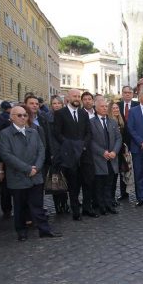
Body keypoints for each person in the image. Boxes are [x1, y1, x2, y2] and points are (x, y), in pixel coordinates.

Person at [0, 106, 58, 240]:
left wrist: (36, 168)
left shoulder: (33, 132)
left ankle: (44, 230)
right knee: (19, 207)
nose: (23, 118)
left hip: (35, 176)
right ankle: (21, 232)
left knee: (38, 205)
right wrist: (27, 169)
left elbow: (41, 151)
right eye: (19, 115)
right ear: (11, 117)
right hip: (18, 177)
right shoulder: (5, 134)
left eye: (25, 115)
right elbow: (6, 155)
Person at [51, 89, 96, 220]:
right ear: (68, 98)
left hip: (84, 153)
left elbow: (89, 133)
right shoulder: (60, 114)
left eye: (78, 96)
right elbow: (57, 133)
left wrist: (82, 145)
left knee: (88, 182)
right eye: (74, 96)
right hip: (69, 155)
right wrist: (71, 145)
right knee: (73, 184)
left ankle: (87, 208)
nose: (77, 98)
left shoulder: (83, 113)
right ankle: (76, 211)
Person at [89, 98, 122, 215]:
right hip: (99, 159)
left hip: (112, 158)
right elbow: (90, 141)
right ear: (96, 108)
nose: (104, 108)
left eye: (105, 106)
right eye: (102, 106)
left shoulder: (112, 122)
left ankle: (109, 205)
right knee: (99, 184)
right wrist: (102, 152)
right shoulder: (91, 122)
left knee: (109, 184)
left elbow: (119, 138)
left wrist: (115, 151)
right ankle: (101, 206)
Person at [117, 86, 139, 200]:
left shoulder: (138, 105)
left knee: (137, 167)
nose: (127, 94)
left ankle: (139, 192)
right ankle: (124, 193)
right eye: (125, 92)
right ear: (122, 93)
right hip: (120, 142)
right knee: (123, 167)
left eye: (130, 92)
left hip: (135, 141)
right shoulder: (117, 106)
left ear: (133, 94)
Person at [48, 95, 69, 214]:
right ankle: (57, 205)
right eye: (54, 103)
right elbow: (48, 138)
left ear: (62, 104)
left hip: (65, 152)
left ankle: (65, 203)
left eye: (58, 103)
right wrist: (51, 153)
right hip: (54, 154)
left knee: (65, 179)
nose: (56, 105)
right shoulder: (48, 118)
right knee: (55, 181)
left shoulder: (66, 116)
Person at [109, 102, 127, 206]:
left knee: (120, 174)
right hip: (113, 152)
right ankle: (110, 198)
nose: (116, 110)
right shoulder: (109, 121)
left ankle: (114, 197)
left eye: (117, 108)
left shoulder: (121, 120)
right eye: (113, 108)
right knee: (112, 176)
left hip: (121, 152)